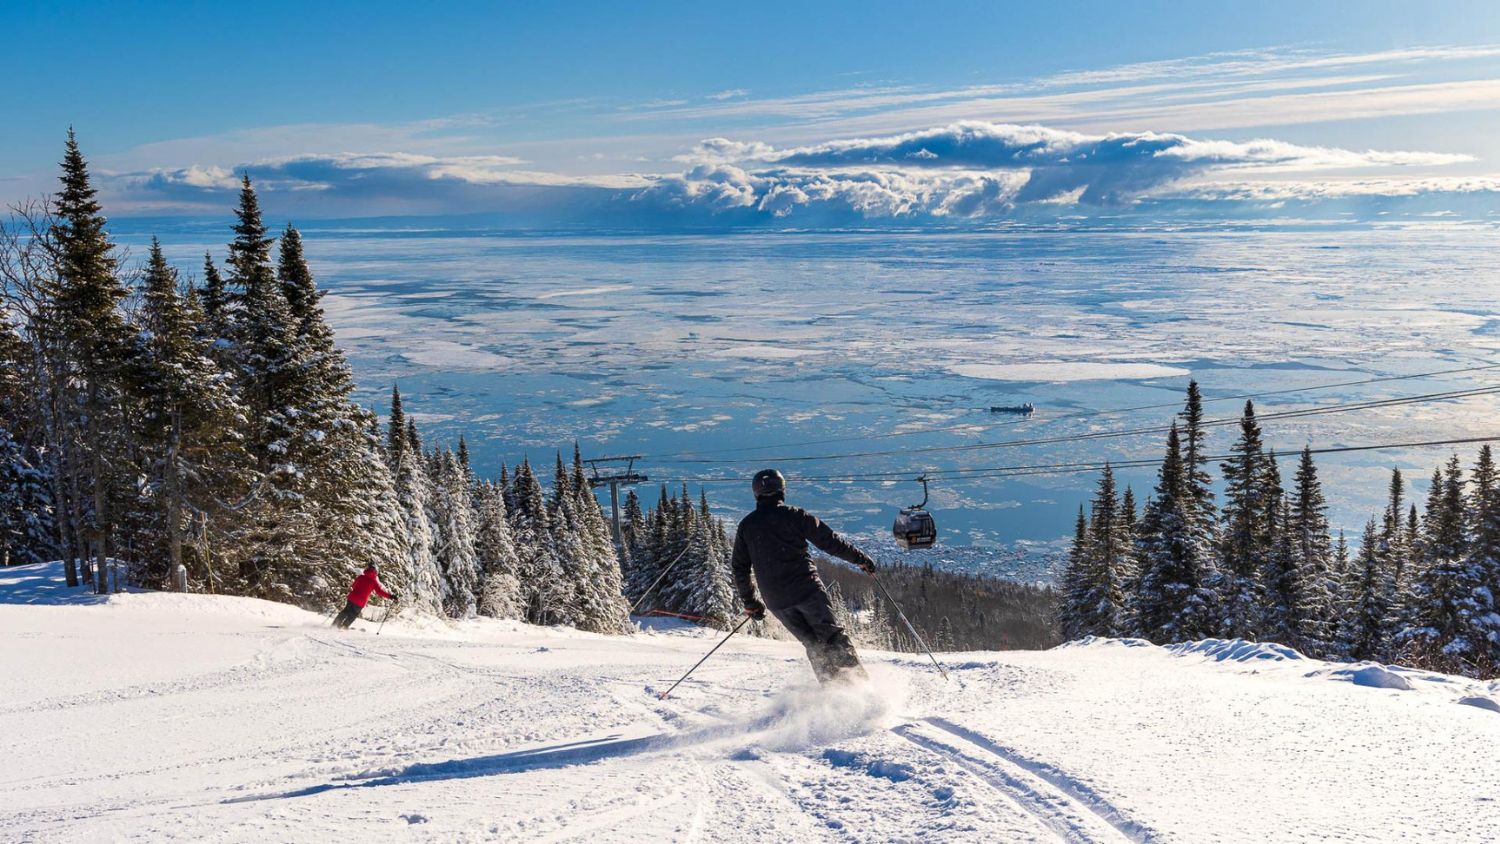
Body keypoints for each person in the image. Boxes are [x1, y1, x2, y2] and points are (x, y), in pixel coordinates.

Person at [731, 468, 877, 685]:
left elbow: (739, 567)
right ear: (782, 489)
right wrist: (860, 559)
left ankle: (833, 693)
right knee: (832, 637)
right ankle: (861, 688)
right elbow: (830, 542)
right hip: (806, 590)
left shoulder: (747, 526)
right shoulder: (795, 515)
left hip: (776, 601)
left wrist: (751, 602)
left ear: (756, 494)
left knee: (813, 644)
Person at [333, 564, 397, 629]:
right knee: (352, 615)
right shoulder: (374, 582)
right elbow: (379, 592)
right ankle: (344, 627)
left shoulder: (360, 577)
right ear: (375, 572)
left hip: (352, 597)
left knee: (345, 611)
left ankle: (335, 625)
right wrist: (391, 596)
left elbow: (353, 586)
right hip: (361, 601)